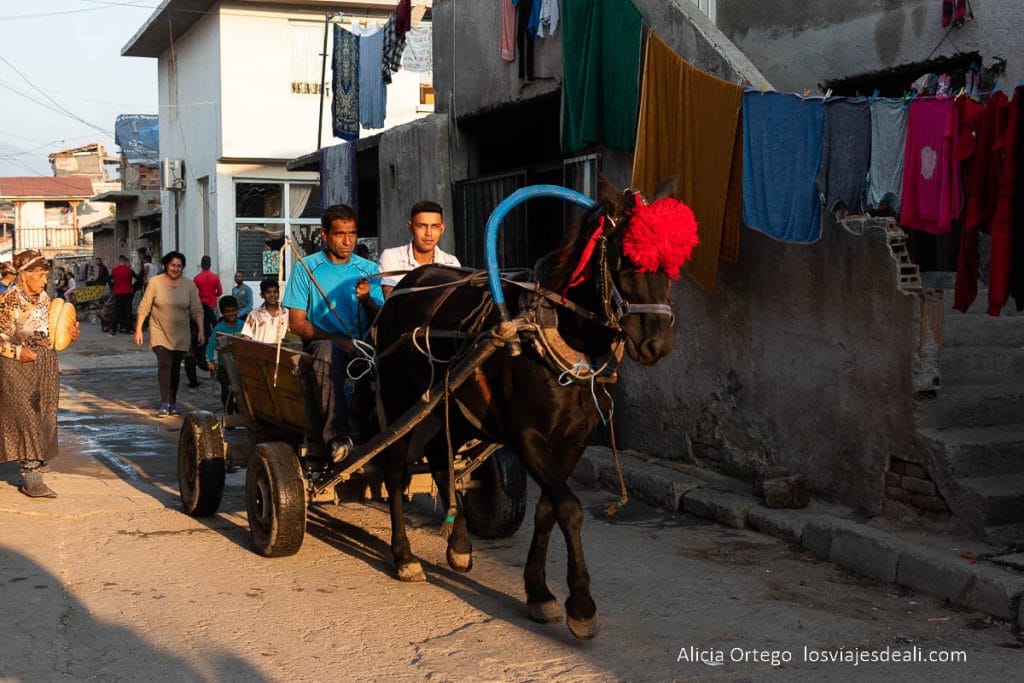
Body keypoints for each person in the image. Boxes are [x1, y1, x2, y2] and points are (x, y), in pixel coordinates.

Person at [283, 204, 383, 458]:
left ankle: (378, 432)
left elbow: (380, 316)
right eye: (340, 234)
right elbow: (297, 324)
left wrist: (367, 300)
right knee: (328, 353)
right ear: (324, 235)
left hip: (361, 345)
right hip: (321, 344)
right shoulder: (306, 268)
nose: (347, 241)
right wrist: (337, 340)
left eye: (352, 233)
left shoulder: (368, 270)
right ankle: (336, 438)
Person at [0, 250, 80, 498]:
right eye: (41, 275)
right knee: (26, 415)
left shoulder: (45, 299)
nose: (45, 281)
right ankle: (31, 475)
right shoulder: (9, 301)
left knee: (44, 412)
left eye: (46, 275)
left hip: (44, 363)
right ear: (24, 276)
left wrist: (70, 333)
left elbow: (54, 331)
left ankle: (36, 459)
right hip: (16, 366)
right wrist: (17, 352)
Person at [134, 251, 205, 417]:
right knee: (164, 365)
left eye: (179, 266)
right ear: (166, 265)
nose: (175, 269)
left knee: (174, 368)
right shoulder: (155, 282)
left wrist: (201, 330)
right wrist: (138, 329)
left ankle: (173, 403)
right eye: (173, 265)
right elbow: (144, 306)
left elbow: (197, 310)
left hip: (181, 334)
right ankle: (164, 403)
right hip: (159, 331)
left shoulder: (189, 285)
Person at [378, 200, 461, 297]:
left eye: (435, 226)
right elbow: (391, 301)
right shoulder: (392, 257)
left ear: (442, 229)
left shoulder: (451, 263)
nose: (428, 233)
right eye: (422, 226)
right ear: (410, 227)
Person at [205, 295, 243, 414]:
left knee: (242, 390)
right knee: (227, 392)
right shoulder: (219, 329)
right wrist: (210, 361)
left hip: (240, 366)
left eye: (233, 310)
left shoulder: (244, 326)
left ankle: (239, 408)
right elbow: (210, 347)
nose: (231, 314)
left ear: (237, 310)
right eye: (227, 311)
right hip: (224, 366)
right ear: (222, 313)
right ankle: (228, 414)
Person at [241, 278, 288, 344]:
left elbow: (292, 336)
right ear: (262, 295)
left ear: (279, 293)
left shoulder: (286, 313)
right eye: (268, 292)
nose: (272, 295)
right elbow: (246, 336)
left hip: (280, 352)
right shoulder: (254, 314)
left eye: (275, 291)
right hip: (260, 352)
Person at [109, 255, 135, 335]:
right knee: (128, 311)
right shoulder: (129, 271)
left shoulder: (114, 270)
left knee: (116, 311)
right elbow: (138, 278)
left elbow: (108, 278)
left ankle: (114, 329)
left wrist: (113, 286)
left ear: (119, 261)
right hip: (128, 292)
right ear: (125, 261)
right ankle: (129, 329)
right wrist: (133, 287)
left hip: (118, 292)